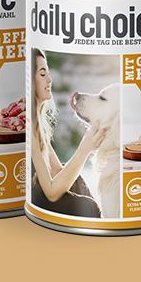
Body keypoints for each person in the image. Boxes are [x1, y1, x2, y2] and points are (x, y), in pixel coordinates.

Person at [27, 49, 105, 217]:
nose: (50, 79)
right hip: (32, 201)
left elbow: (55, 169)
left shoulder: (37, 123)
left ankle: (103, 220)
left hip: (41, 197)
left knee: (76, 180)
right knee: (87, 205)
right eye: (42, 74)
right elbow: (51, 193)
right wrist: (84, 149)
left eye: (48, 72)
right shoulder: (27, 124)